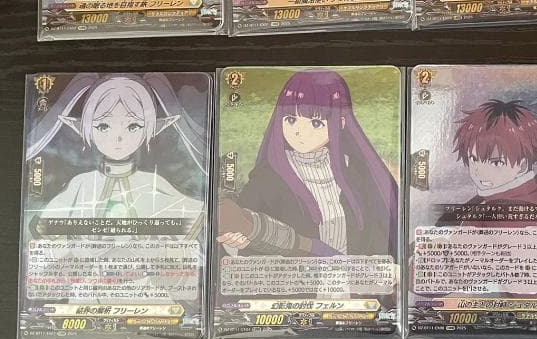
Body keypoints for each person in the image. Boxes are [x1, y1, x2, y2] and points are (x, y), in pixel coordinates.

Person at [216, 69, 398, 257]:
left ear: (341, 122)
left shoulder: (355, 171)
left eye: (316, 123)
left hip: (357, 274)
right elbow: (240, 225)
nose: (299, 132)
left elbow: (379, 233)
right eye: (290, 119)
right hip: (294, 275)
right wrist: (236, 240)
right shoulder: (268, 177)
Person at [26, 74, 207, 223]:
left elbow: (190, 217)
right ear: (86, 127)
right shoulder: (82, 183)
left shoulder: (152, 183)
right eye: (103, 126)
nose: (118, 138)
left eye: (133, 126)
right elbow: (46, 226)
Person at [450, 99, 537, 229]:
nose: (478, 171)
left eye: (496, 163)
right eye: (474, 159)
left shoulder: (480, 220)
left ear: (522, 166)